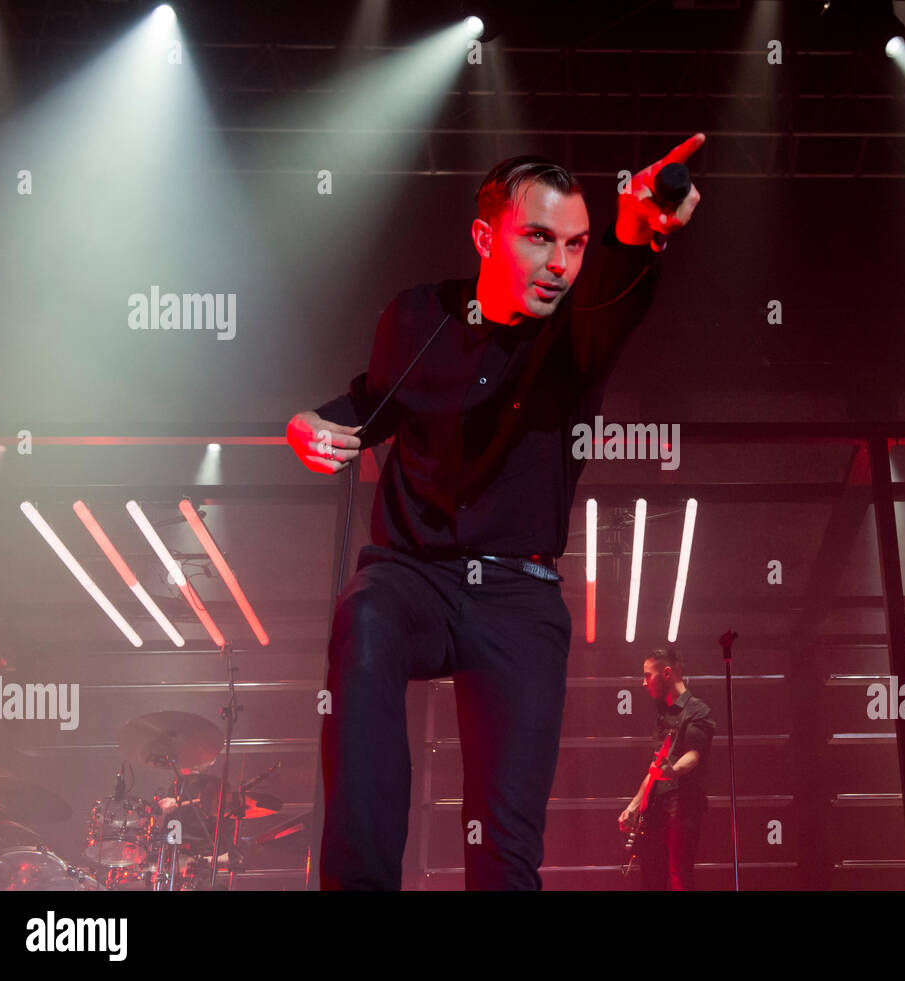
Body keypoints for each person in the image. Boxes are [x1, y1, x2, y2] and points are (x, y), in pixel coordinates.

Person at [287, 136, 705, 890]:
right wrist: (308, 423)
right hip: (411, 572)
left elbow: (617, 294)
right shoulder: (416, 315)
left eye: (575, 245)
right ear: (485, 237)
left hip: (518, 595)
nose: (560, 264)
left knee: (507, 845)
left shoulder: (575, 333)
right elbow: (371, 402)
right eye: (540, 238)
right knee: (366, 620)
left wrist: (636, 230)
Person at [618, 647, 715, 890]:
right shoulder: (663, 716)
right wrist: (634, 804)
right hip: (657, 807)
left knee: (679, 874)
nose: (644, 682)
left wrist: (673, 770)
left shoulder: (697, 710)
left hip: (683, 803)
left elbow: (694, 754)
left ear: (667, 673)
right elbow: (655, 767)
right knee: (651, 876)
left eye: (648, 675)